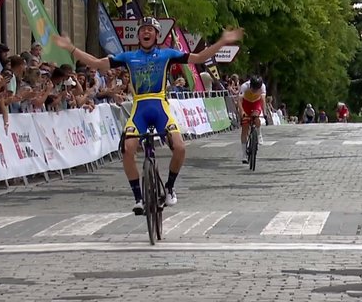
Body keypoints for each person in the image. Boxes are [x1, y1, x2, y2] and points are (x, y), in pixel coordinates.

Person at [53, 17, 243, 215]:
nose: (146, 32)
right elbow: (97, 63)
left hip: (160, 105)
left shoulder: (167, 54)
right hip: (140, 108)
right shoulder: (129, 57)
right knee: (127, 149)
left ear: (156, 35)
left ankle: (169, 187)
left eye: (150, 30)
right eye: (143, 29)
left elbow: (200, 58)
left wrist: (222, 42)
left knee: (180, 148)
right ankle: (139, 198)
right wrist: (71, 48)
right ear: (138, 35)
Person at [238, 76, 266, 164]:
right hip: (246, 104)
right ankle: (244, 154)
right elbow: (239, 101)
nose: (255, 91)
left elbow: (263, 100)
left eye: (256, 89)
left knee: (256, 117)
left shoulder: (262, 87)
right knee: (245, 129)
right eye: (253, 89)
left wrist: (264, 112)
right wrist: (242, 111)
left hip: (256, 103)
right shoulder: (244, 86)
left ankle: (259, 134)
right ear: (250, 85)